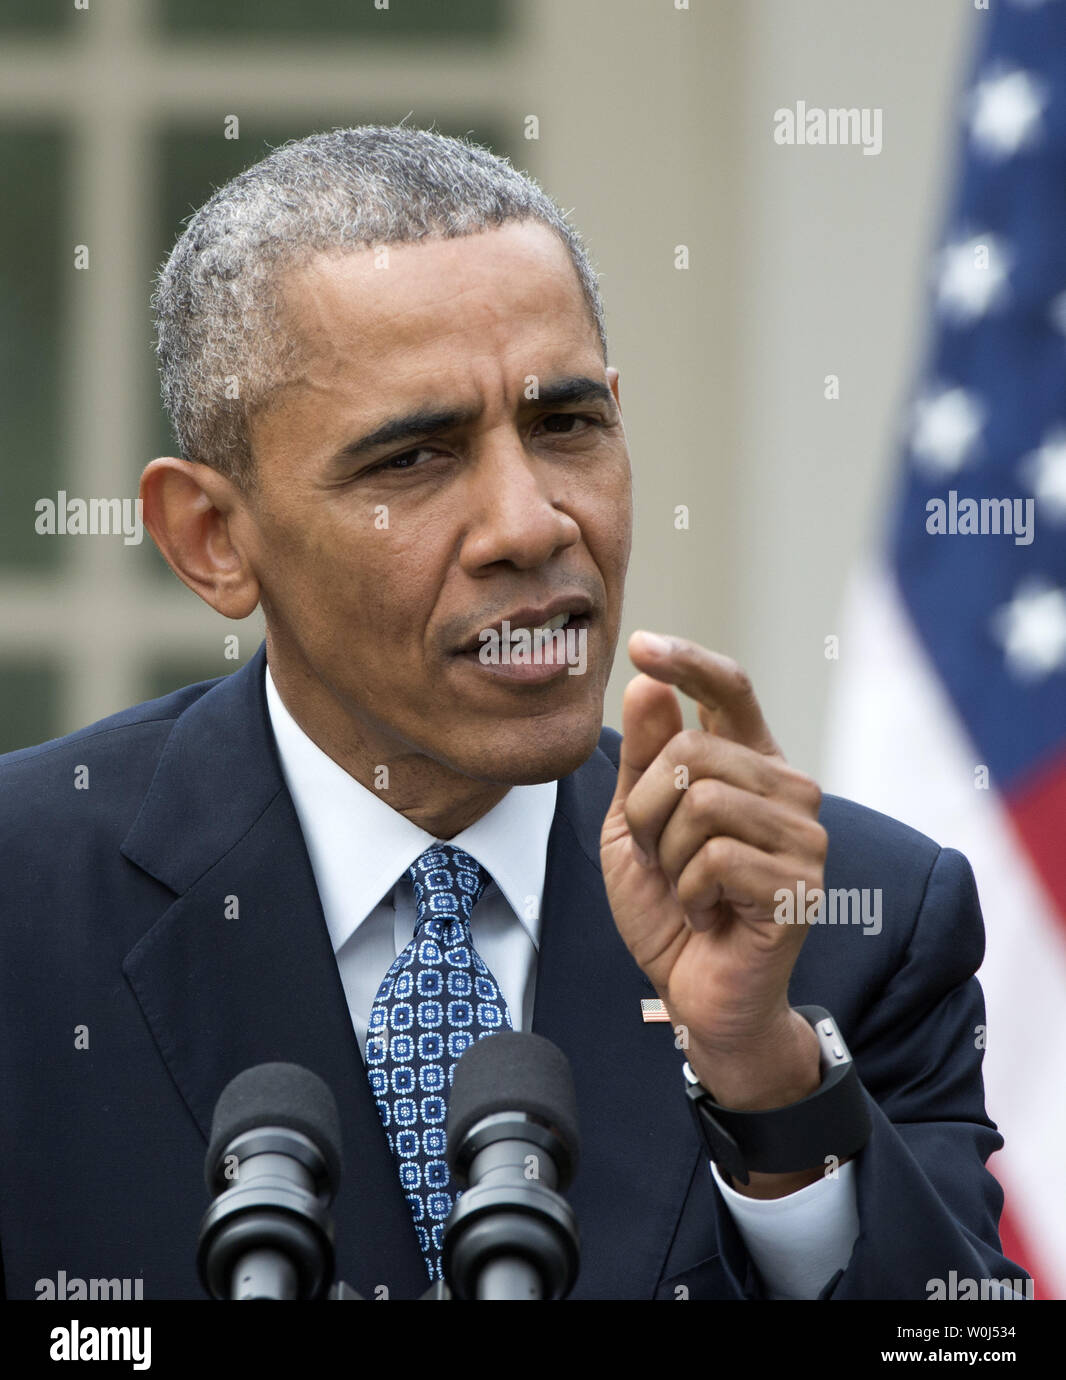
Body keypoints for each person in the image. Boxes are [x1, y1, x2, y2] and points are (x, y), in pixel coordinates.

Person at [0, 126, 1028, 1300]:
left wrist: (767, 1079)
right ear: (212, 538)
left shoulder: (854, 921)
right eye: (414, 460)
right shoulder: (23, 902)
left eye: (566, 426)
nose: (531, 523)